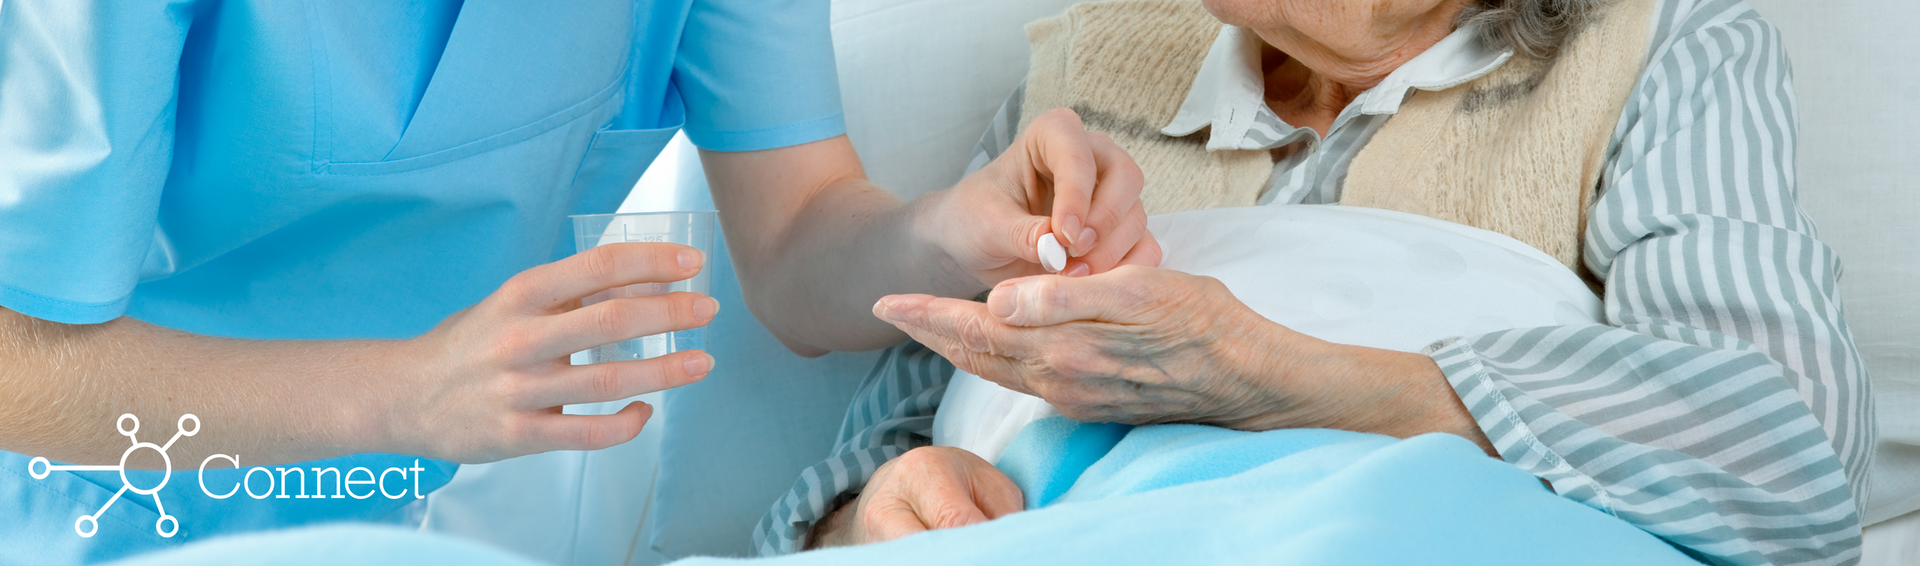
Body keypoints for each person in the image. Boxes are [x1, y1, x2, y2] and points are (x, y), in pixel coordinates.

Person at [0, 0, 1156, 560]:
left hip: (447, 521)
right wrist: (408, 391)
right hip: (93, 506)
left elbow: (800, 238)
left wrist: (950, 234)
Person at [758, 0, 1874, 564]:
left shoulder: (1658, 43)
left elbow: (1787, 447)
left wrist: (1268, 372)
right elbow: (894, 428)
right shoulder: (1085, 67)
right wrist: (873, 516)